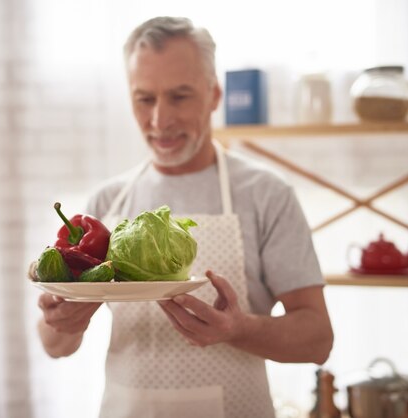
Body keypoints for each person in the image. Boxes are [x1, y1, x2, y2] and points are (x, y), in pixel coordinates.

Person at [35, 16, 334, 418]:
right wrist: (66, 321)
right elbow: (55, 347)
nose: (160, 120)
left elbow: (317, 340)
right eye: (145, 99)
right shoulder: (107, 202)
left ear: (214, 95)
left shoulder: (266, 195)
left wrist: (239, 329)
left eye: (180, 96)